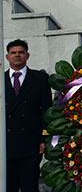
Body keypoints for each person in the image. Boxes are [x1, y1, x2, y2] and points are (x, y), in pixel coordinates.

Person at [5, 39, 53, 192]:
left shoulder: (40, 79)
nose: (17, 55)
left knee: (30, 186)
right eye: (13, 53)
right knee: (8, 186)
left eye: (21, 52)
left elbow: (47, 110)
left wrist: (44, 139)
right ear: (7, 57)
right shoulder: (0, 80)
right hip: (6, 144)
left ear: (27, 55)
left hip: (31, 144)